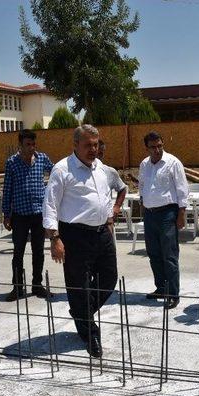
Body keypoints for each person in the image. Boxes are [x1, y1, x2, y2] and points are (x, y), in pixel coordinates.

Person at [43, 124, 117, 358]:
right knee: (79, 285)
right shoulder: (62, 169)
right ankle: (90, 332)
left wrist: (108, 217)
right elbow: (50, 204)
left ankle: (80, 311)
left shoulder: (101, 168)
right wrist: (54, 238)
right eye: (88, 145)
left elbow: (105, 196)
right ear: (75, 145)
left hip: (102, 233)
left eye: (96, 144)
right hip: (74, 235)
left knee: (109, 278)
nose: (93, 149)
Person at [3, 129, 54, 301]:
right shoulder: (12, 162)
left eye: (33, 144)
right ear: (20, 145)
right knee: (18, 252)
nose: (31, 148)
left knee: (38, 251)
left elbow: (56, 174)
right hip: (20, 215)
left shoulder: (42, 159)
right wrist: (6, 214)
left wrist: (49, 193)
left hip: (39, 214)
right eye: (27, 144)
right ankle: (17, 287)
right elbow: (7, 188)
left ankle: (37, 285)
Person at [138, 131, 188, 309]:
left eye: (160, 145)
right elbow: (142, 186)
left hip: (168, 214)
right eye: (153, 147)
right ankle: (161, 288)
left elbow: (182, 189)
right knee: (154, 254)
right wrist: (143, 203)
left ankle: (173, 293)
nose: (157, 150)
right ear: (147, 148)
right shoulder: (144, 164)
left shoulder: (173, 163)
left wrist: (181, 214)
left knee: (170, 255)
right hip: (150, 215)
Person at [97, 139, 127, 228]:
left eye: (101, 153)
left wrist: (117, 207)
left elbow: (122, 188)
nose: (98, 156)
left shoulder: (109, 171)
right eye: (96, 153)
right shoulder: (79, 172)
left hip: (105, 222)